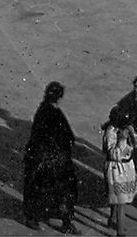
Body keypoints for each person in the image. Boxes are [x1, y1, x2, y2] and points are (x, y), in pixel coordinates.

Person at [22, 81, 78, 234]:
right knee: (63, 190)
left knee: (42, 189)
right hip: (54, 159)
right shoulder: (53, 112)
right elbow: (64, 136)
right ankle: (65, 222)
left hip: (44, 158)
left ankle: (36, 217)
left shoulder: (43, 111)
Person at [102, 108, 137, 234]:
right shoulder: (111, 131)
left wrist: (132, 134)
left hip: (127, 166)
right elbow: (113, 154)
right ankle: (120, 231)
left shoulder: (127, 128)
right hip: (115, 168)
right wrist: (121, 140)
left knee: (119, 197)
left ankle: (112, 218)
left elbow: (136, 143)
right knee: (121, 200)